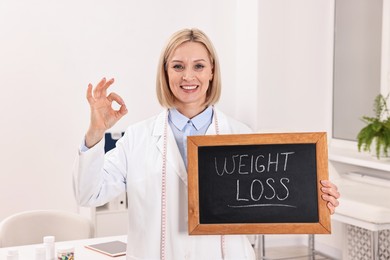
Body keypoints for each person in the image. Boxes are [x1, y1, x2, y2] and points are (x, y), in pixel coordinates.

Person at [73, 28, 340, 260]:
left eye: (199, 66)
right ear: (165, 73)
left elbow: (270, 202)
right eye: (178, 66)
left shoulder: (241, 135)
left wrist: (313, 198)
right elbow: (88, 194)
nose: (188, 76)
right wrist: (95, 133)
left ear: (212, 70)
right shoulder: (137, 137)